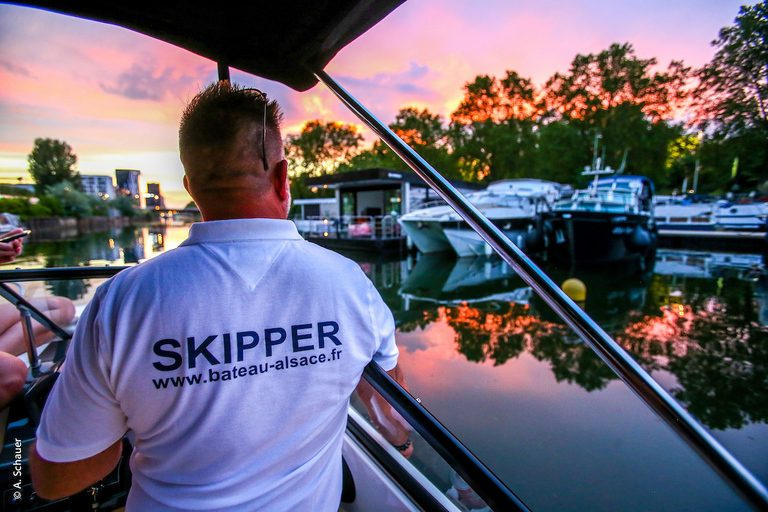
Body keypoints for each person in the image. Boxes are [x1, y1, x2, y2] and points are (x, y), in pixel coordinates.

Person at [29, 81, 405, 511]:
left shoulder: (121, 302)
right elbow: (391, 416)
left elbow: (54, 478)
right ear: (282, 178)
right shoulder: (351, 283)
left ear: (190, 187)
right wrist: (401, 443)